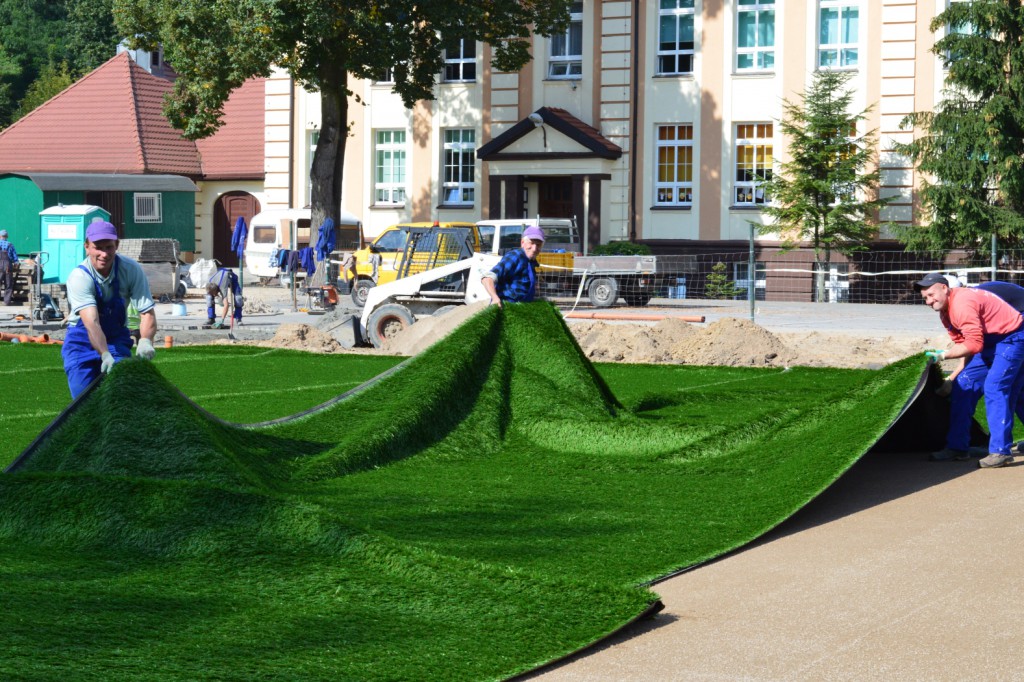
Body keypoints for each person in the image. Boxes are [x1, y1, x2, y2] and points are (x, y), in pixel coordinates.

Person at [916, 272, 1024, 468]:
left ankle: (1000, 451)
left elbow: (973, 345)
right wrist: (954, 378)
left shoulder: (963, 304)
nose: (928, 301)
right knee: (964, 384)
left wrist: (942, 355)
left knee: (996, 387)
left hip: (1013, 337)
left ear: (945, 288)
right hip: (990, 339)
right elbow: (967, 346)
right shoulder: (945, 313)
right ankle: (958, 447)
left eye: (931, 295)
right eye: (925, 298)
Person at [62, 221, 156, 399]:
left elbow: (147, 312)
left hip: (116, 338)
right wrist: (104, 354)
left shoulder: (131, 270)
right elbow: (92, 323)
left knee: (121, 394)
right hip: (82, 341)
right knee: (82, 400)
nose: (104, 254)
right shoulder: (79, 277)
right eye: (98, 247)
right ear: (87, 247)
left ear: (117, 245)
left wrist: (145, 341)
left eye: (109, 247)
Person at [481, 226, 545, 306]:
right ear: (522, 243)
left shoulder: (531, 262)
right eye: (531, 243)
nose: (534, 248)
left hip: (521, 310)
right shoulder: (515, 256)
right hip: (507, 309)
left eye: (538, 245)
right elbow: (487, 278)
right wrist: (494, 297)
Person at [0, 228, 18, 306]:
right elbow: (15, 258)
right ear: (7, 236)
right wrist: (16, 263)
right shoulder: (10, 245)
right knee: (8, 285)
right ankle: (6, 302)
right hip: (8, 266)